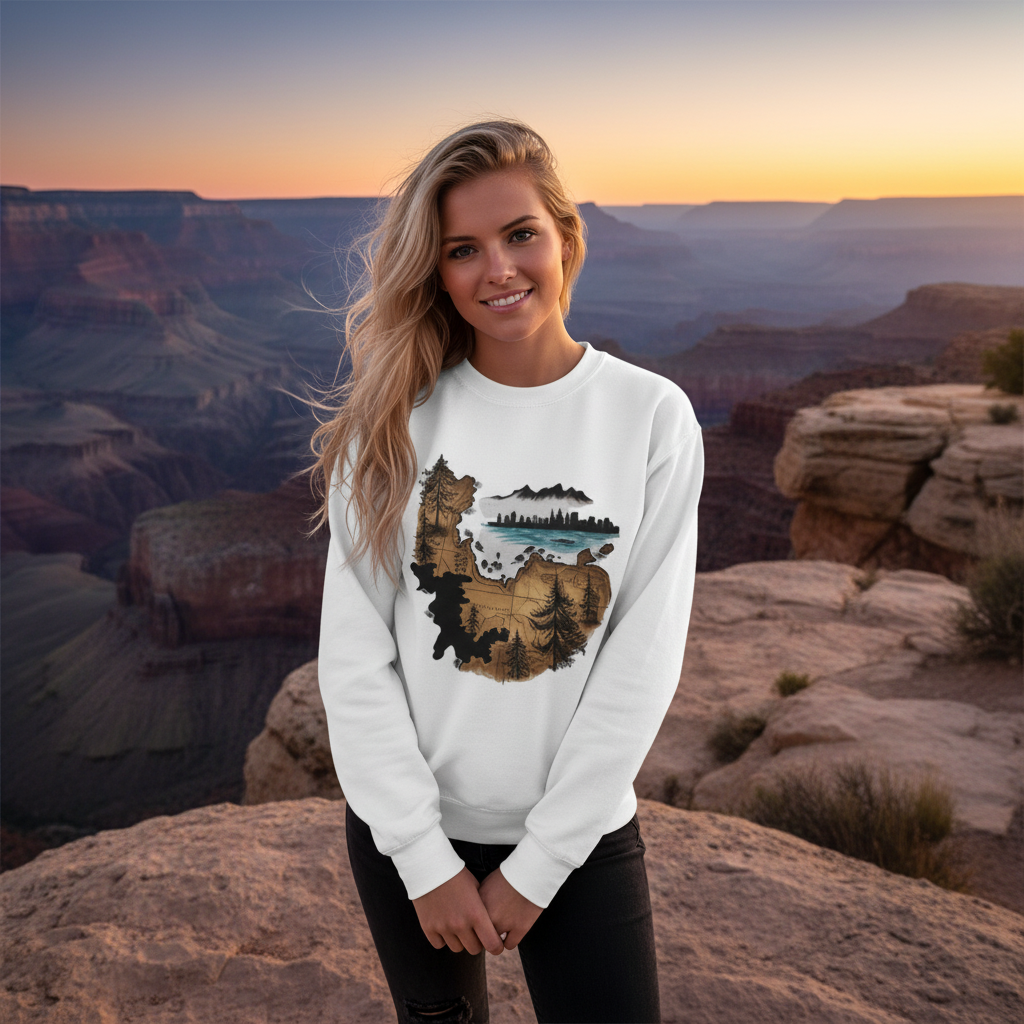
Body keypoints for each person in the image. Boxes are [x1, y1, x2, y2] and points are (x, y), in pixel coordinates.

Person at [304, 119, 704, 1024]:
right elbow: (356, 658)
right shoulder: (391, 426)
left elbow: (641, 660)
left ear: (567, 236)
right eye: (462, 249)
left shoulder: (650, 416)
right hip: (415, 841)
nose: (499, 270)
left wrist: (539, 866)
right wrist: (421, 856)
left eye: (521, 233)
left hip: (578, 837)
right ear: (436, 273)